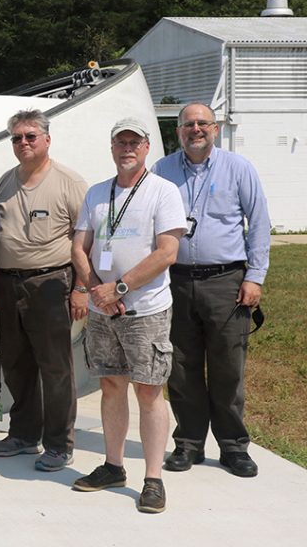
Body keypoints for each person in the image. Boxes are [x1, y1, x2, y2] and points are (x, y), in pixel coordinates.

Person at [70, 117, 185, 514]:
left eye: (134, 142)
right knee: (111, 387)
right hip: (105, 312)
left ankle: (153, 479)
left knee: (149, 392)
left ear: (147, 147)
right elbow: (79, 248)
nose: (127, 148)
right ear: (112, 147)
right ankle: (113, 466)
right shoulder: (98, 193)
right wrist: (97, 292)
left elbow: (167, 252)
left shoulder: (163, 192)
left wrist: (119, 288)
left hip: (145, 310)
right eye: (120, 142)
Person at [152, 103, 270, 478]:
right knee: (181, 366)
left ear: (215, 129)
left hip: (226, 281)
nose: (196, 129)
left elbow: (260, 222)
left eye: (203, 123)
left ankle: (234, 447)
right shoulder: (162, 170)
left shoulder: (238, 168)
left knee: (227, 366)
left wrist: (255, 276)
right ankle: (189, 443)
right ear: (179, 131)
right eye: (188, 124)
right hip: (176, 280)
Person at [0, 110, 87, 471]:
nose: (24, 143)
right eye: (17, 138)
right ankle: (24, 434)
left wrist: (81, 289)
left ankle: (59, 443)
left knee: (56, 367)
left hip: (51, 283)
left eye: (31, 136)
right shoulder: (5, 182)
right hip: (9, 284)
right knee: (16, 364)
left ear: (47, 139)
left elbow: (86, 239)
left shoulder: (69, 182)